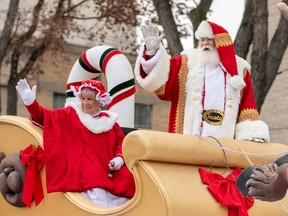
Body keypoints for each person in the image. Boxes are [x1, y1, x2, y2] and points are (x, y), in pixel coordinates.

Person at [134, 20, 270, 142]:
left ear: (220, 43)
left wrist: (252, 135)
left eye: (209, 40)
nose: (205, 43)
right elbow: (163, 79)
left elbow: (247, 108)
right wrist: (152, 53)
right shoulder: (186, 63)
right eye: (202, 40)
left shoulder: (240, 71)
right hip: (187, 144)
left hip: (225, 148)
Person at [16, 78, 135, 208]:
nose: (84, 103)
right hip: (85, 171)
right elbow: (44, 116)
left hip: (109, 171)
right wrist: (30, 103)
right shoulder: (71, 114)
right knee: (95, 181)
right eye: (82, 99)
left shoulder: (111, 123)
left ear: (98, 101)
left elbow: (121, 143)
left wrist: (119, 158)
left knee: (130, 180)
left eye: (89, 99)